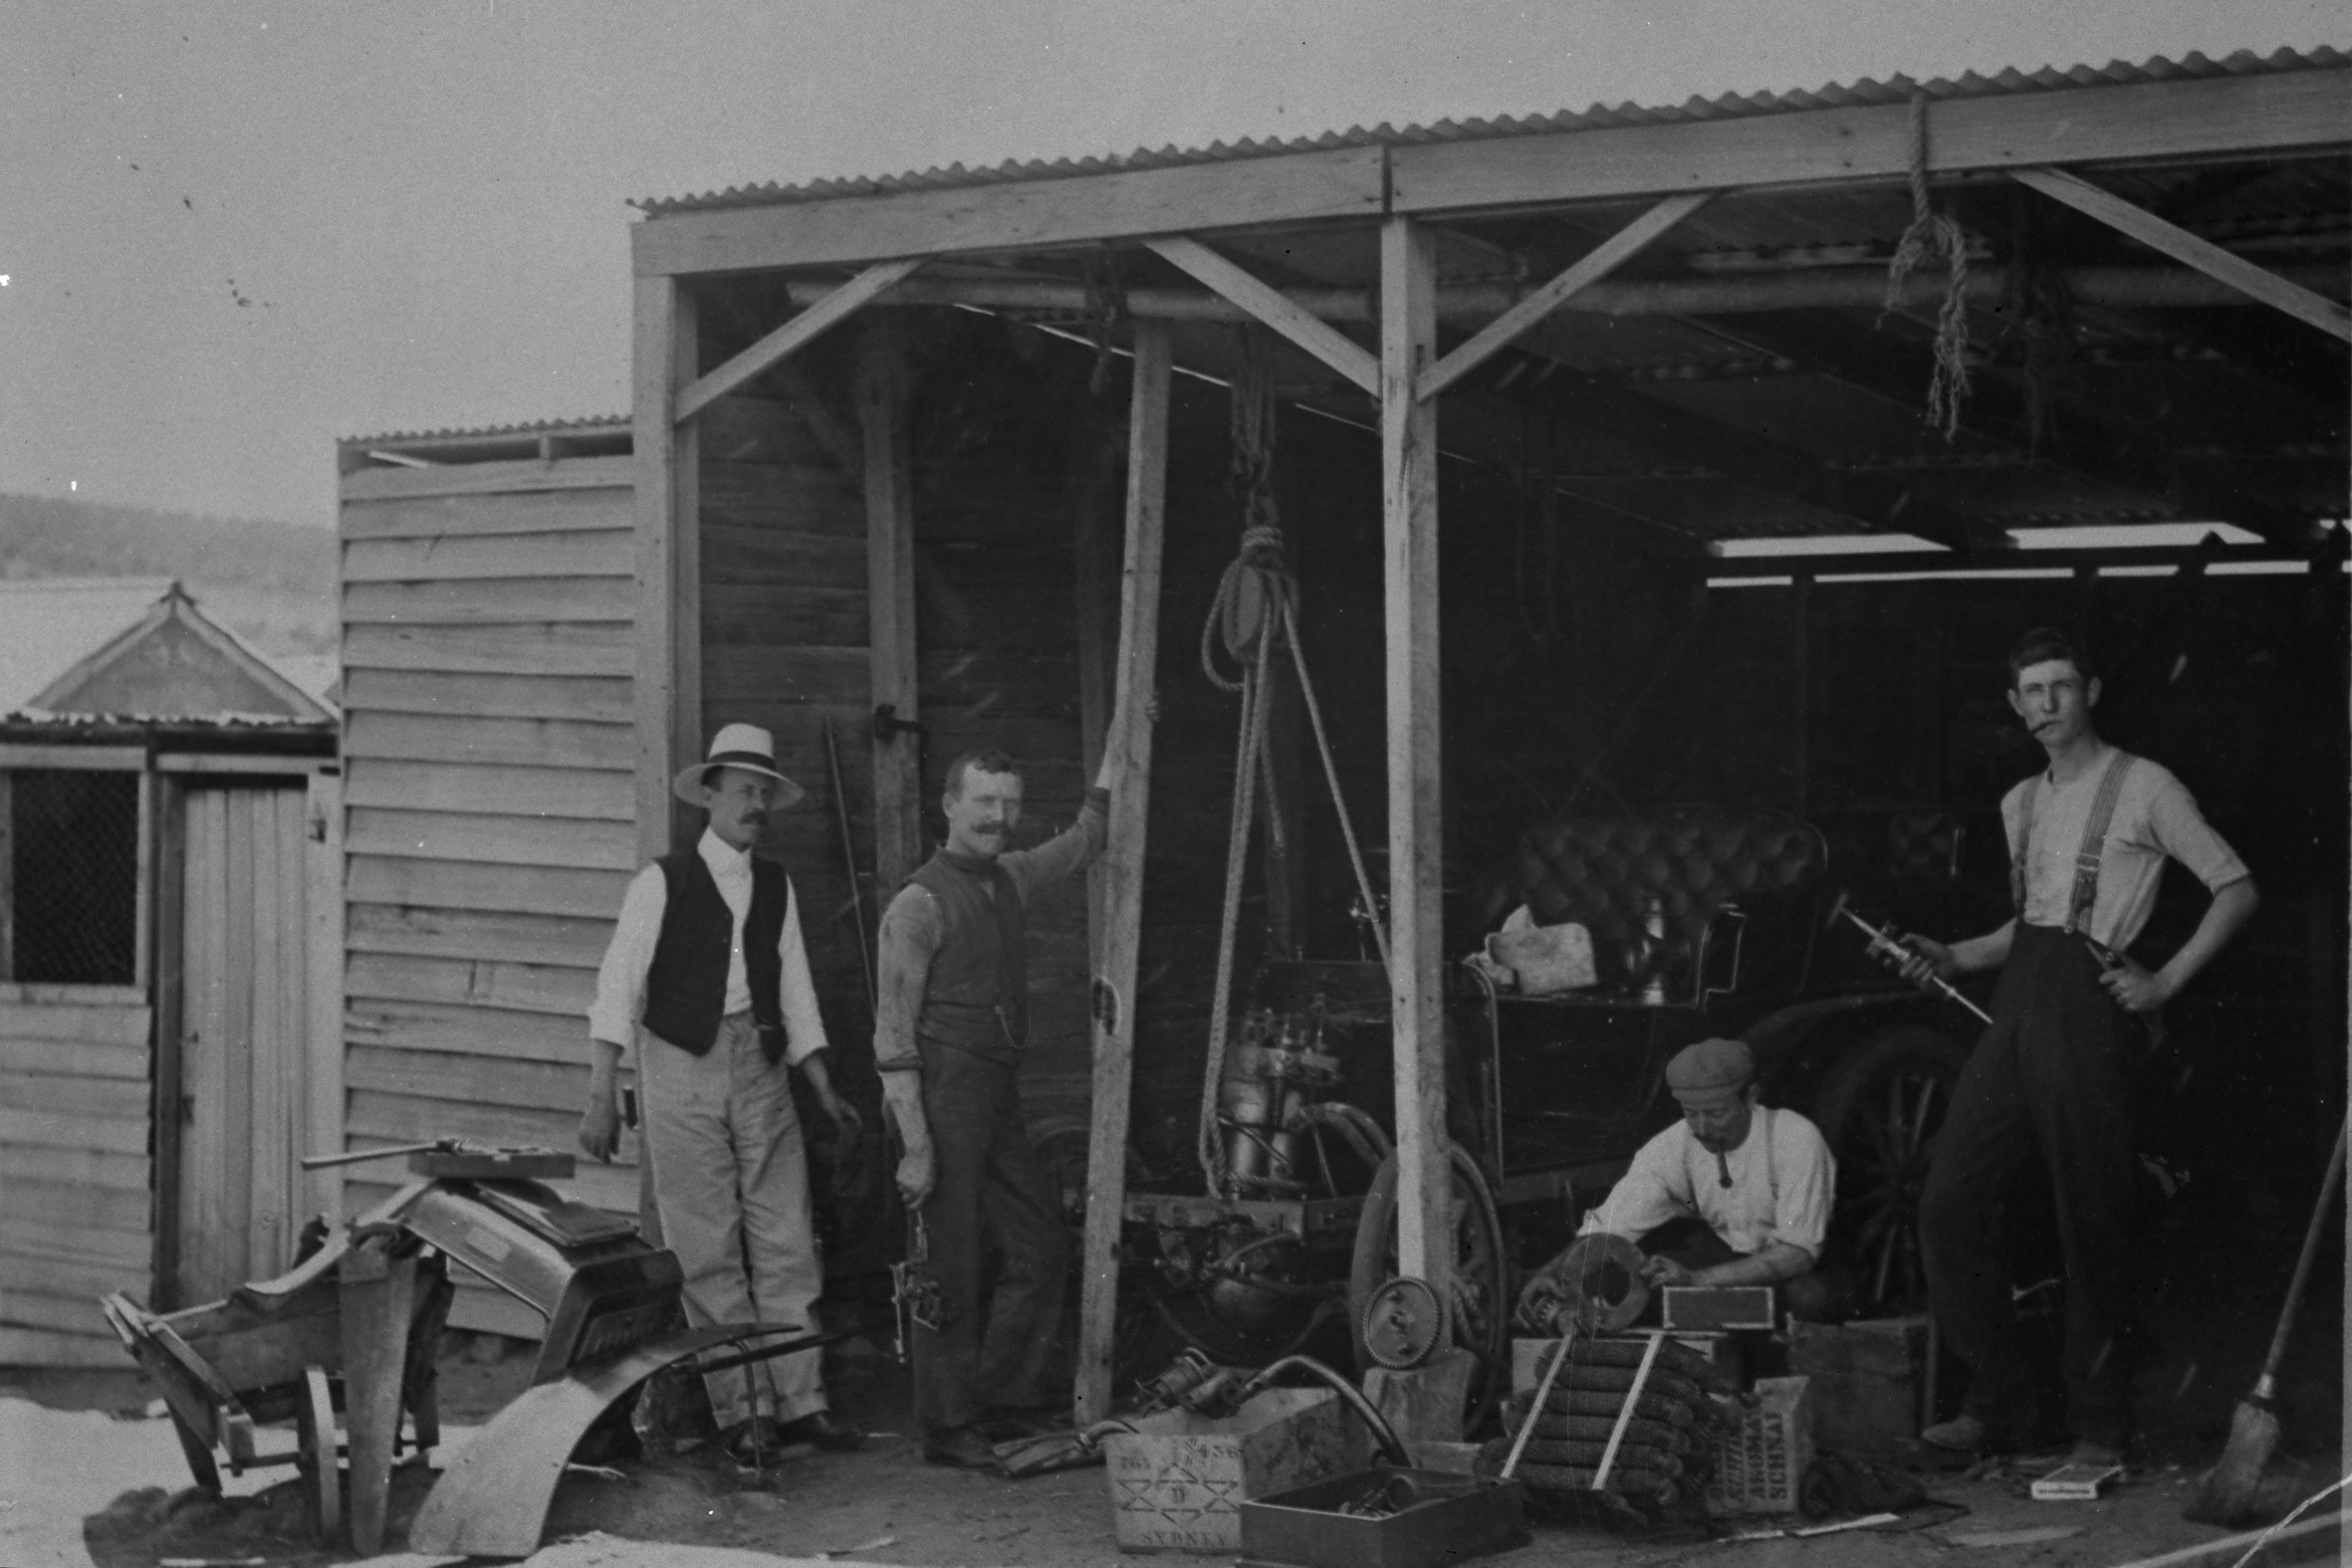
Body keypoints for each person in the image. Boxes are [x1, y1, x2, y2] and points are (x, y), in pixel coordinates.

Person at [1902, 627, 2257, 1467]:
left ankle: (2101, 1427)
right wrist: (1953, 956)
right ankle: (2000, 1402)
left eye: (2061, 685)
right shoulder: (2019, 800)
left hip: (2090, 1011)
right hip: (2019, 998)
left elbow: (2236, 887)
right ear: (2015, 704)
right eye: (2032, 691)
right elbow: (2029, 924)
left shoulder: (2146, 786)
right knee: (1948, 1200)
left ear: (2090, 690)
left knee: (2089, 1210)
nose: (2047, 704)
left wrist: (2163, 982)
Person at [579, 723, 866, 1459]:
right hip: (680, 1065)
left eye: (765, 790)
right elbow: (618, 982)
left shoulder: (775, 884)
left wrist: (822, 1083)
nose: (756, 802)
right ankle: (743, 1410)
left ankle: (801, 1400)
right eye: (743, 788)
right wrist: (603, 1086)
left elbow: (795, 986)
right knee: (705, 1242)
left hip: (761, 1063)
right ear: (708, 794)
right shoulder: (661, 881)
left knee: (786, 1236)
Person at [874, 743, 1118, 1469]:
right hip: (939, 1090)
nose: (999, 817)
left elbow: (1085, 838)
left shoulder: (1009, 877)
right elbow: (892, 1036)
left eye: (1009, 803)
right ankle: (946, 1425)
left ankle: (1003, 1396)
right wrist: (916, 1144)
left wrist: (1116, 740)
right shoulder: (915, 906)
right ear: (950, 806)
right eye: (984, 802)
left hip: (996, 1090)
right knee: (946, 1263)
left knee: (1040, 1242)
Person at [1517, 1036, 1844, 1326]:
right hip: (1721, 1254)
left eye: (1716, 1114)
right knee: (1624, 1284)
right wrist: (1551, 1272)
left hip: (1793, 1267)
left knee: (1808, 1297)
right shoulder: (1674, 1145)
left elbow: (1797, 1254)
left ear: (1750, 1098)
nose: (1701, 1129)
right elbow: (1609, 1226)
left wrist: (1697, 1280)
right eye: (1691, 1113)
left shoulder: (1795, 1138)